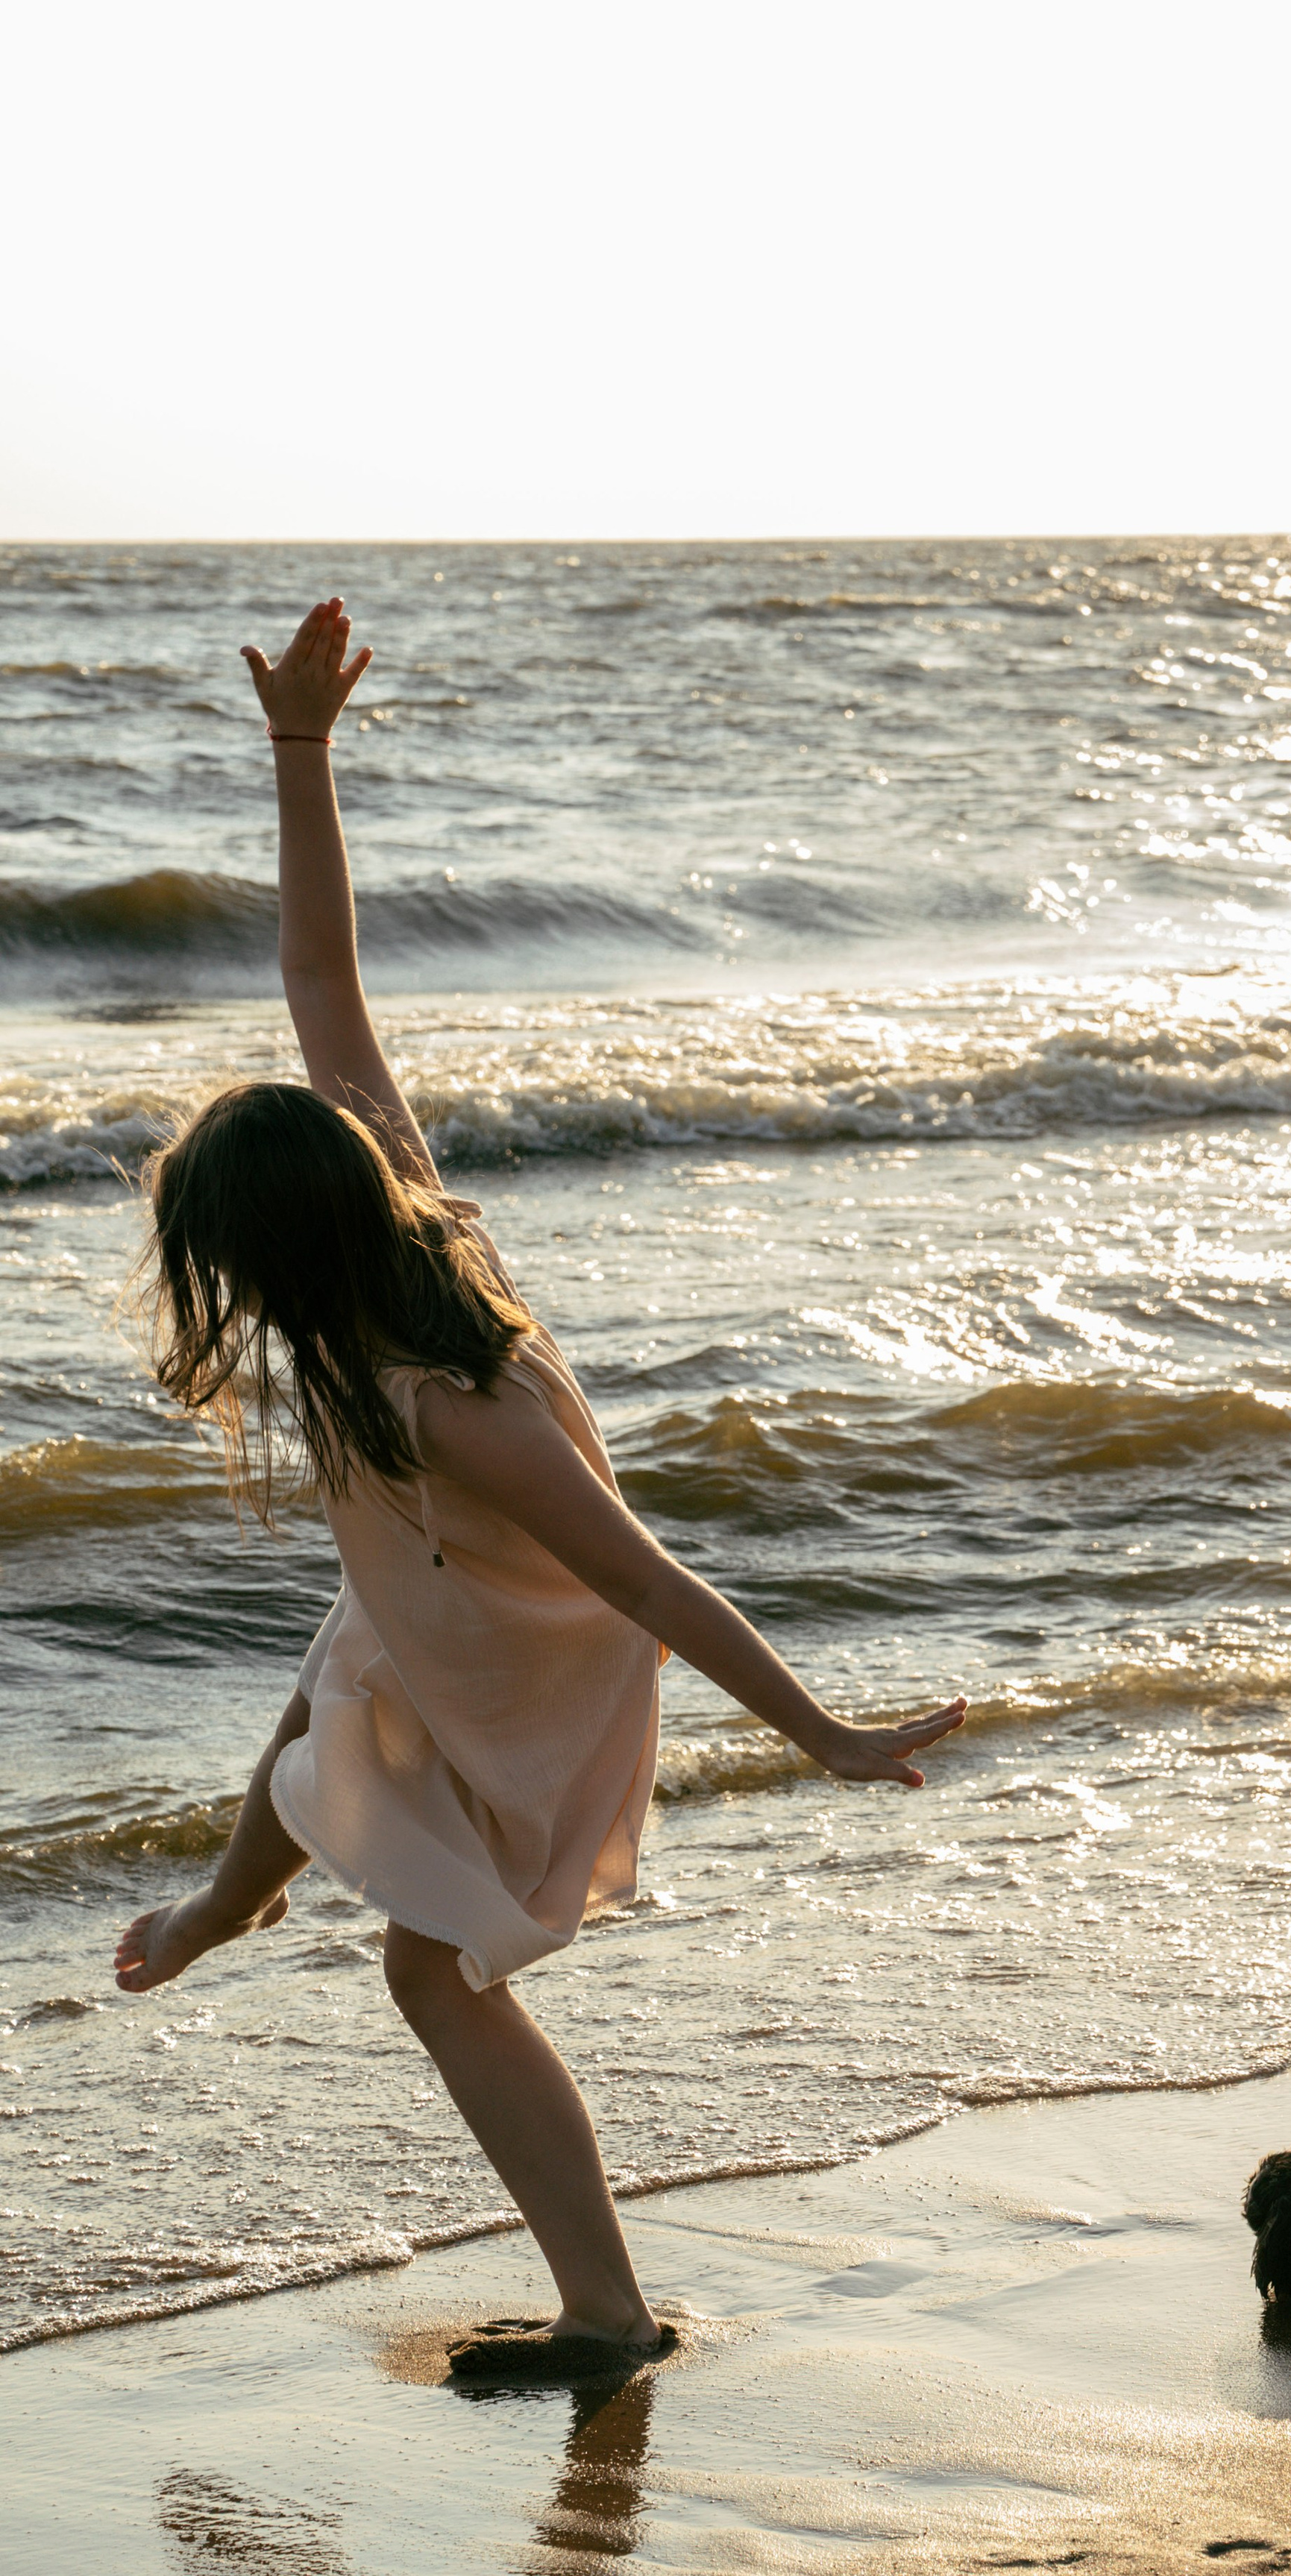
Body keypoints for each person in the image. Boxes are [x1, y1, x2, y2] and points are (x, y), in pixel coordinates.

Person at [112, 597, 967, 2379]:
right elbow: (321, 983)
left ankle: (603, 2309)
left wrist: (823, 1736)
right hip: (429, 1602)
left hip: (534, 1662)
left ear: (258, 1258)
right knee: (329, 1687)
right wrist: (299, 751)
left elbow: (650, 1584)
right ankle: (224, 1898)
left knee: (431, 1970)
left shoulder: (449, 1402)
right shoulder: (394, 1216)